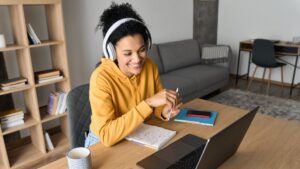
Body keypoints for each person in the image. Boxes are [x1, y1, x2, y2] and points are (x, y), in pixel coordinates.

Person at [85, 2, 182, 147]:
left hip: (137, 132)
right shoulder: (100, 79)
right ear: (111, 52)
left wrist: (165, 110)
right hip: (102, 142)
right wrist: (148, 103)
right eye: (127, 53)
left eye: (141, 50)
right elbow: (107, 135)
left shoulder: (150, 66)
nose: (137, 59)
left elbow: (156, 105)